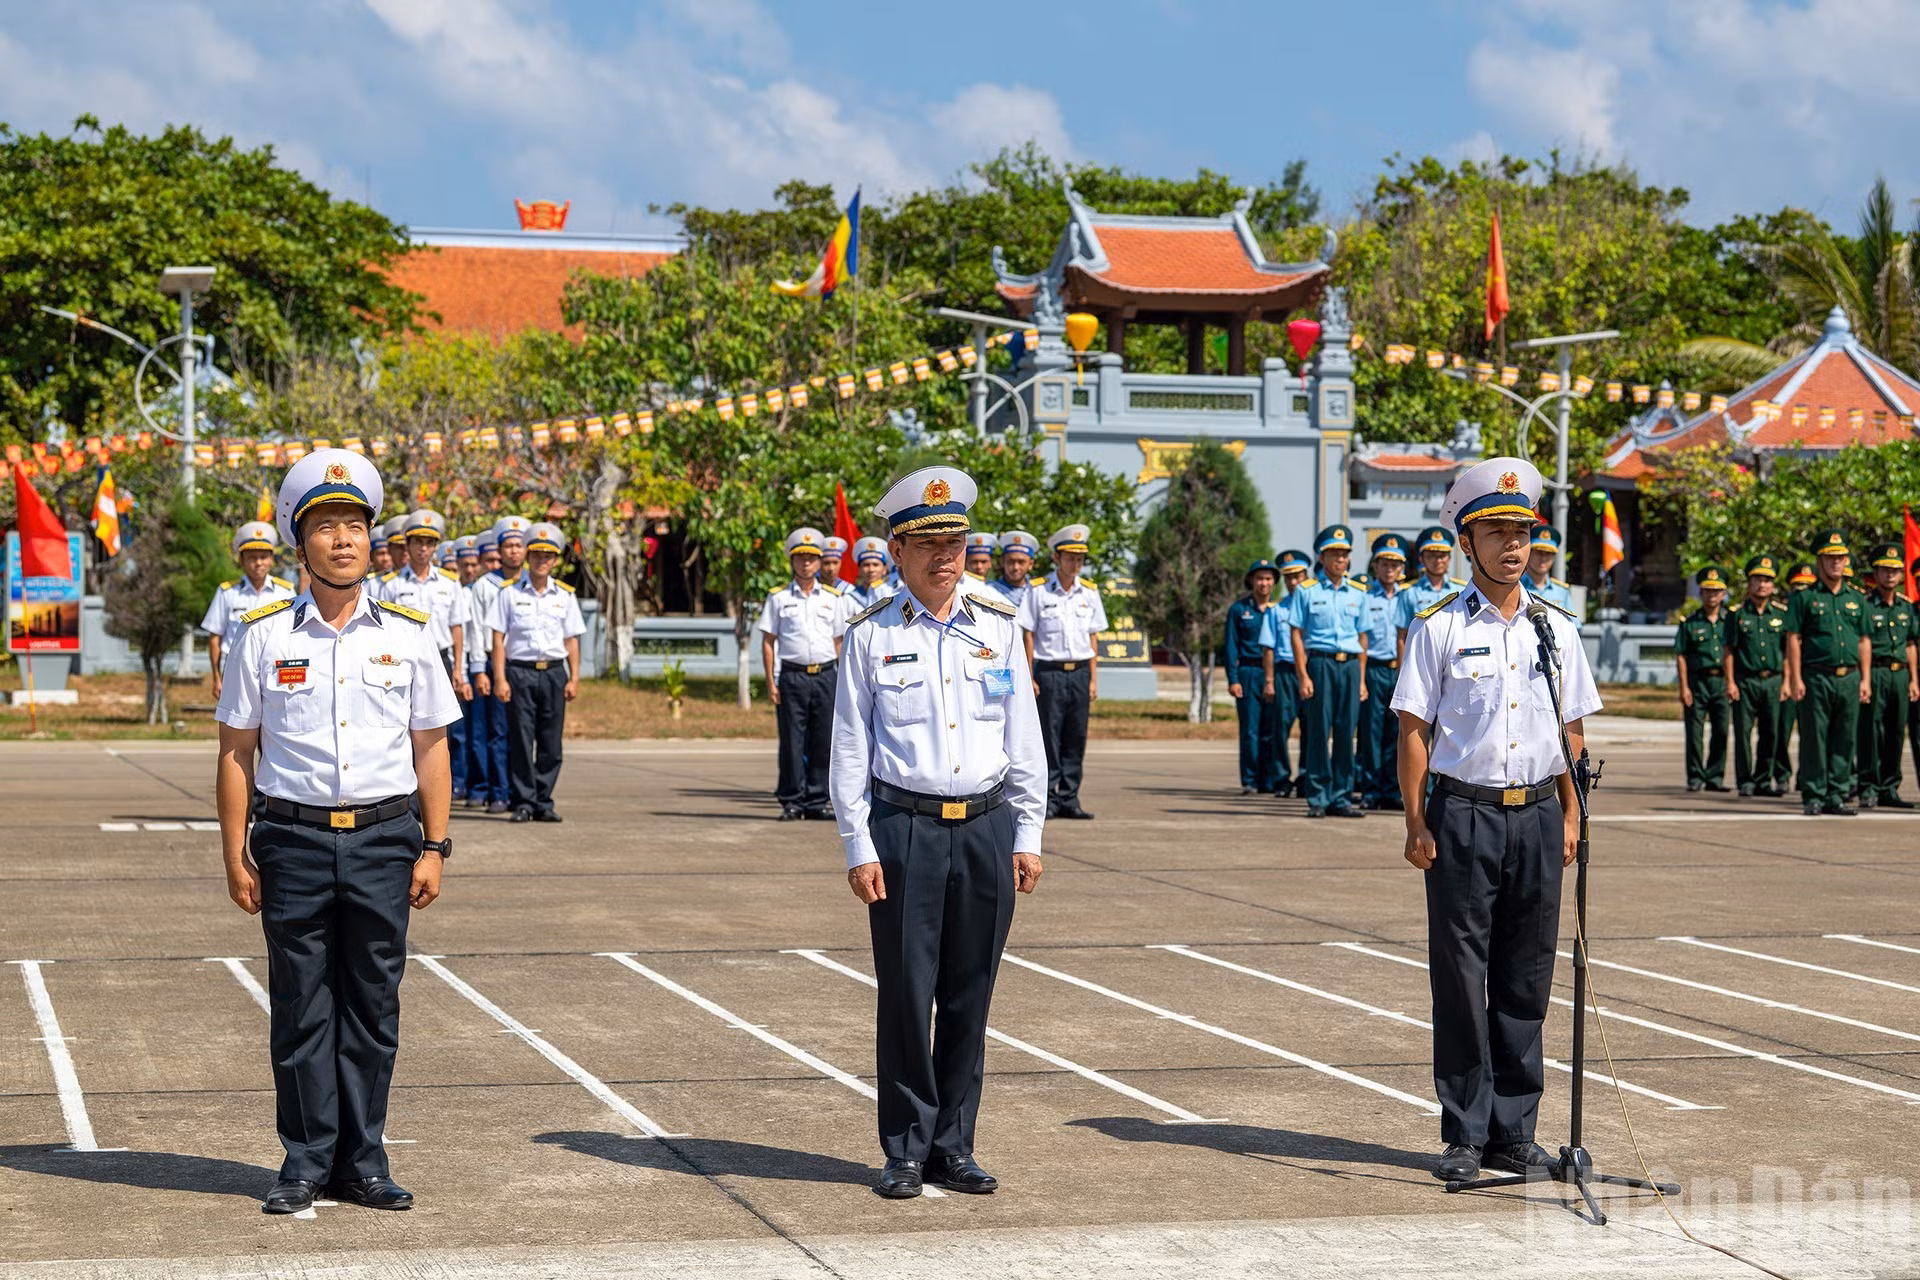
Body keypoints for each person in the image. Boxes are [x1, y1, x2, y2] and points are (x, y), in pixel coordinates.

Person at [213, 448, 459, 1215]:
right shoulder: (263, 635)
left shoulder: (411, 631)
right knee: (300, 1005)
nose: (343, 539)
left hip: (387, 838)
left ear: (371, 539)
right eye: (326, 526)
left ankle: (364, 1160)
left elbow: (432, 745)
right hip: (291, 840)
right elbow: (236, 750)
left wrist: (435, 845)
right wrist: (233, 853)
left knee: (373, 1004)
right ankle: (304, 1160)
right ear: (300, 542)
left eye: (355, 524)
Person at [829, 465, 1045, 1200]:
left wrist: (1030, 832)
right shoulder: (869, 636)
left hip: (986, 826)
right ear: (896, 549)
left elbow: (1025, 737)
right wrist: (858, 845)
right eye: (927, 543)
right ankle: (905, 1148)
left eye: (954, 540)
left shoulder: (1000, 627)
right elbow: (849, 750)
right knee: (906, 992)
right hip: (904, 830)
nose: (944, 556)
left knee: (969, 994)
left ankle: (955, 1144)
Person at [1392, 455, 1599, 1184]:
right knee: (1460, 977)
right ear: (1466, 541)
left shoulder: (1556, 629)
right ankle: (1465, 1133)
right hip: (1463, 817)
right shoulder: (1439, 626)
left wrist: (1572, 815)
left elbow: (1572, 732)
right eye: (1496, 533)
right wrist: (1416, 821)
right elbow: (1414, 730)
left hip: (1539, 816)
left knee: (1525, 977)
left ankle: (1515, 1132)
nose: (1513, 546)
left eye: (1521, 532)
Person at [489, 522, 583, 823]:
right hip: (520, 672)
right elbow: (498, 639)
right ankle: (524, 801)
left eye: (548, 556)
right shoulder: (509, 593)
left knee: (551, 742)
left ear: (555, 560)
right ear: (528, 558)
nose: (542, 561)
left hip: (554, 672)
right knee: (520, 738)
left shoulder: (565, 595)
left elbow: (571, 640)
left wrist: (575, 676)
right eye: (537, 555)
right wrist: (500, 678)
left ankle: (544, 800)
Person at [379, 509, 473, 801]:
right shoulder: (391, 584)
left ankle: (444, 790)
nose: (423, 548)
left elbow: (458, 628)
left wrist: (460, 669)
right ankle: (409, 796)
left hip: (442, 658)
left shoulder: (449, 582)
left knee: (443, 729)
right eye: (417, 541)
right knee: (406, 728)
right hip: (402, 661)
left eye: (429, 542)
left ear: (436, 547)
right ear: (407, 545)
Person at [1017, 525, 1108, 820]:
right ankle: (1048, 798)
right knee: (1048, 736)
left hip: (1079, 671)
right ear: (1057, 557)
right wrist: (1029, 674)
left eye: (1080, 558)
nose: (1076, 564)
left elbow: (1094, 638)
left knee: (1075, 736)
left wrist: (1094, 679)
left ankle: (1070, 797)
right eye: (1070, 557)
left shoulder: (1090, 593)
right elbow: (1028, 634)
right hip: (1049, 672)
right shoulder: (1039, 590)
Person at [759, 526, 847, 821]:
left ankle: (817, 800)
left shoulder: (833, 598)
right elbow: (768, 642)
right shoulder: (778, 598)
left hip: (825, 676)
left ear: (821, 562)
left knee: (823, 740)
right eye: (800, 558)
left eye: (812, 558)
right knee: (792, 741)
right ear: (792, 561)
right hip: (793, 677)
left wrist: (843, 680)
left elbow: (839, 642)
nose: (806, 563)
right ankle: (792, 801)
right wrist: (771, 681)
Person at [1785, 530, 1872, 817]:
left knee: (1845, 737)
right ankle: (1814, 793)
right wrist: (1796, 678)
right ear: (1820, 561)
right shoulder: (1805, 597)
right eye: (1830, 558)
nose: (1836, 563)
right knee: (1814, 736)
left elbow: (1863, 640)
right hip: (1816, 675)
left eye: (1841, 558)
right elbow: (1794, 638)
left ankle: (1837, 793)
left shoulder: (1857, 599)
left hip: (1848, 676)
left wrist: (1865, 679)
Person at [1288, 525, 1367, 819]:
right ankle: (1318, 797)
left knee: (1347, 733)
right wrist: (1303, 675)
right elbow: (1296, 632)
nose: (1341, 560)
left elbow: (1363, 637)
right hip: (1320, 664)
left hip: (1349, 666)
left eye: (1345, 555)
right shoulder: (1307, 592)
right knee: (1319, 732)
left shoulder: (1358, 593)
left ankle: (1342, 797)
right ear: (1321, 558)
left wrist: (1360, 679)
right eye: (1334, 554)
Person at [200, 521, 295, 701]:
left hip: (274, 666)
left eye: (263, 556)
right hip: (236, 666)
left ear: (272, 559)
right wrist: (216, 677)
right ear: (241, 560)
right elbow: (215, 637)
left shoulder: (286, 592)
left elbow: (293, 635)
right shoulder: (227, 592)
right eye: (252, 557)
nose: (258, 563)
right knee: (237, 723)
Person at [1855, 543, 1919, 809]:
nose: (1890, 575)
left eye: (1895, 571)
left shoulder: (1905, 607)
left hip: (1900, 674)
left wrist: (1914, 678)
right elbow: (1863, 642)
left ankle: (1889, 787)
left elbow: (1910, 644)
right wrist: (1865, 678)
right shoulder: (1866, 605)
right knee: (1871, 730)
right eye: (1885, 570)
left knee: (1896, 732)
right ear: (1876, 573)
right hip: (1877, 671)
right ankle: (1868, 785)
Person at [1725, 555, 1791, 798]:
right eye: (1757, 579)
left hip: (1773, 680)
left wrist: (1786, 681)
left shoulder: (1782, 614)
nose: (1762, 584)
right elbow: (1729, 650)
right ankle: (1745, 781)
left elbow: (1787, 651)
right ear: (1749, 583)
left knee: (1771, 731)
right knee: (1743, 732)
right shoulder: (1736, 614)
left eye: (1767, 580)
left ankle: (1764, 779)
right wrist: (1730, 682)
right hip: (1745, 679)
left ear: (1773, 585)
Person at [1359, 533, 1409, 810]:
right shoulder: (1365, 598)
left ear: (1402, 568)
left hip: (1402, 669)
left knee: (1398, 732)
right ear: (1375, 567)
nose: (1390, 569)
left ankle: (1393, 788)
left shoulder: (1409, 596)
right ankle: (1370, 789)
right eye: (1384, 563)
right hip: (1375, 669)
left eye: (1395, 564)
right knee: (1371, 732)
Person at [1225, 559, 1283, 795]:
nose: (1264, 583)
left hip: (1273, 672)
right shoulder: (1239, 610)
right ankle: (1249, 779)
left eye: (1268, 579)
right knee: (1250, 729)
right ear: (1251, 581)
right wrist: (1233, 679)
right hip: (1248, 672)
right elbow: (1230, 646)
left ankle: (1267, 778)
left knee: (1271, 728)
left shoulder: (1278, 609)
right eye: (1259, 578)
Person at [1258, 550, 1313, 799]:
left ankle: (1305, 777)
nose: (1294, 582)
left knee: (1310, 727)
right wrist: (1269, 680)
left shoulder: (1315, 605)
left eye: (1298, 576)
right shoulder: (1276, 610)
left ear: (1306, 576)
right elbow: (1268, 648)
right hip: (1284, 672)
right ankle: (1281, 778)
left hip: (1310, 671)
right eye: (1289, 577)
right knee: (1281, 727)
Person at [1674, 567, 1732, 792]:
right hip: (1698, 682)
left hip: (1722, 682)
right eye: (1707, 591)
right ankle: (1696, 777)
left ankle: (1715, 777)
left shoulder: (1730, 619)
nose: (1712, 595)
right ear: (1701, 592)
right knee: (1695, 734)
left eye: (1716, 591)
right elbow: (1681, 655)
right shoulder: (1690, 621)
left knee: (1722, 731)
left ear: (1724, 593)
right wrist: (1684, 687)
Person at [1397, 527, 1465, 657]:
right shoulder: (1409, 592)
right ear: (1421, 559)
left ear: (1449, 559)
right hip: (1420, 657)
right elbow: (1402, 637)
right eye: (1432, 556)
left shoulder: (1461, 590)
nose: (1438, 561)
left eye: (1442, 556)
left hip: (1454, 657)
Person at [847, 537, 895, 610]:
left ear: (884, 569)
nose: (871, 570)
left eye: (875, 565)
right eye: (866, 565)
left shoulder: (894, 595)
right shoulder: (849, 598)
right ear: (859, 569)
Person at [994, 531, 1038, 602]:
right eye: (1010, 561)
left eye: (1021, 562)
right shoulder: (990, 590)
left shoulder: (1039, 591)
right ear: (1002, 562)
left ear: (1030, 564)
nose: (1015, 567)